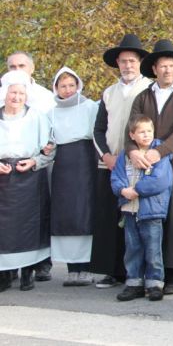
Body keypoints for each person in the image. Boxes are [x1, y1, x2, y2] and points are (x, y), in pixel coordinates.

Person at [127, 39, 173, 295]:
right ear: (154, 69)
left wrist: (160, 151)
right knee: (146, 224)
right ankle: (146, 276)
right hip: (144, 169)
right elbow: (131, 127)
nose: (167, 70)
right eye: (163, 66)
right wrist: (133, 151)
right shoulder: (143, 97)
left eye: (171, 66)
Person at [92, 34, 152, 288]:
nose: (128, 65)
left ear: (140, 63)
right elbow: (98, 129)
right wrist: (106, 156)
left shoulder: (149, 89)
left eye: (132, 61)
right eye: (124, 61)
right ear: (117, 63)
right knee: (109, 219)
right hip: (109, 163)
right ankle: (111, 270)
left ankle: (139, 272)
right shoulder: (108, 93)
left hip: (137, 163)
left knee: (137, 221)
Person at [0, 70, 54, 292]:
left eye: (21, 93)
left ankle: (28, 272)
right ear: (5, 93)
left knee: (29, 226)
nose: (17, 97)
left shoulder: (37, 117)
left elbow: (51, 148)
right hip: (2, 179)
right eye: (13, 92)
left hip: (29, 176)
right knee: (3, 229)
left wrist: (34, 161)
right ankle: (4, 274)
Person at [111, 115, 173, 302]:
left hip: (151, 211)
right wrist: (122, 190)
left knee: (153, 249)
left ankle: (155, 283)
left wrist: (137, 190)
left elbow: (160, 180)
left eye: (149, 131)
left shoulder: (159, 154)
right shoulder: (125, 155)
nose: (146, 135)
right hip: (129, 209)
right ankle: (134, 283)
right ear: (132, 135)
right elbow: (116, 176)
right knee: (132, 249)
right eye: (141, 132)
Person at [49, 67, 99, 287]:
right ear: (56, 88)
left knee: (84, 213)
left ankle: (86, 268)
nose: (68, 90)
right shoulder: (51, 112)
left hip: (85, 163)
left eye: (71, 85)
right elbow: (49, 140)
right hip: (62, 166)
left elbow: (97, 135)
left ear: (78, 85)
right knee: (66, 215)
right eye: (63, 86)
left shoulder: (90, 106)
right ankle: (71, 269)